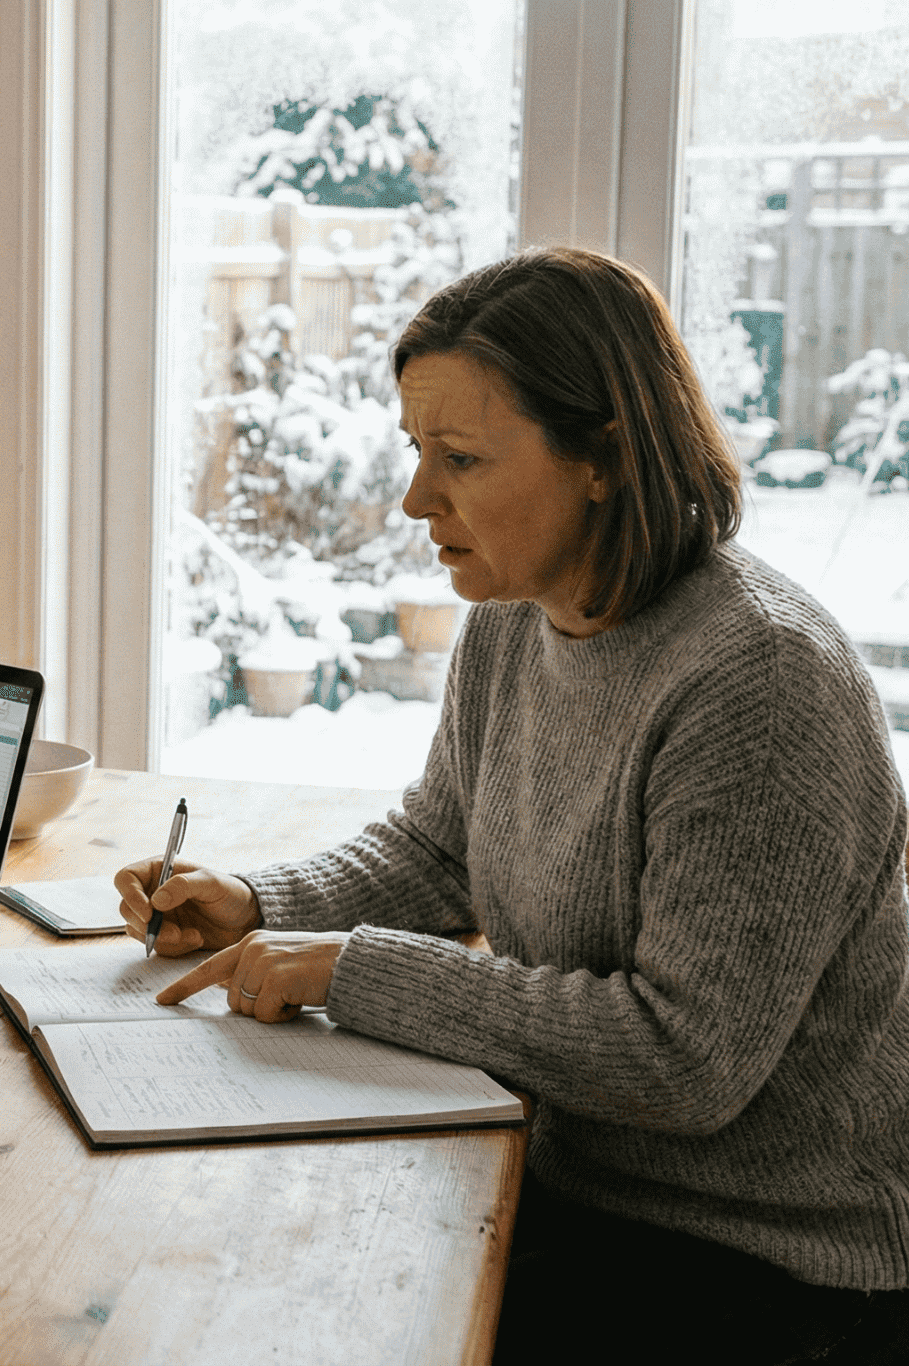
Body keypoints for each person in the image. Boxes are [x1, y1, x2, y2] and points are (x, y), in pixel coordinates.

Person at [117, 247, 909, 1364]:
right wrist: (255, 902)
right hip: (570, 1185)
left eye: (462, 458)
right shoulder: (514, 612)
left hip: (775, 1265)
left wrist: (353, 968)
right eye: (415, 452)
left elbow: (682, 1060)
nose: (413, 499)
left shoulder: (759, 683)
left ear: (603, 457)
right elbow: (441, 847)